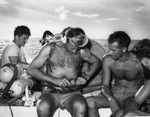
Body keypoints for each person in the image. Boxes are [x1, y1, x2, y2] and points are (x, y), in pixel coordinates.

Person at [27, 27, 101, 117]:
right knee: (42, 106)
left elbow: (97, 62)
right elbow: (31, 69)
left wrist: (86, 77)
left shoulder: (82, 51)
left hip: (72, 93)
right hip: (50, 92)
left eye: (77, 48)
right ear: (64, 40)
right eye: (72, 47)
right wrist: (54, 80)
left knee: (81, 106)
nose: (74, 51)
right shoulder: (50, 48)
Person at [86, 31, 144, 117]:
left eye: (113, 50)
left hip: (132, 98)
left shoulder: (138, 62)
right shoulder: (108, 60)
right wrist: (109, 96)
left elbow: (146, 85)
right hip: (114, 95)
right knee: (90, 101)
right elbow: (105, 84)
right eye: (109, 49)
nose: (109, 52)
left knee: (124, 114)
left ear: (124, 49)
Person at [114, 39, 150, 117]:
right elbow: (136, 101)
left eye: (137, 62)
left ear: (145, 62)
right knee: (120, 113)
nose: (137, 66)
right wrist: (129, 112)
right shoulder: (148, 78)